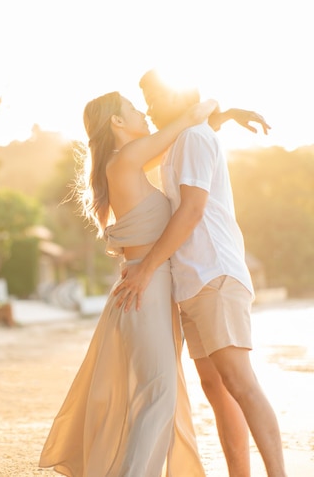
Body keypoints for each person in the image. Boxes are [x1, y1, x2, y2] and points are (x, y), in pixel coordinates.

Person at [113, 70, 287, 477]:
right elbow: (205, 117)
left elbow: (191, 211)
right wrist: (226, 114)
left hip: (215, 276)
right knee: (218, 390)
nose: (151, 108)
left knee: (240, 383)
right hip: (192, 282)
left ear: (180, 96)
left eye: (154, 98)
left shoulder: (191, 139)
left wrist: (146, 270)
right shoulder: (184, 137)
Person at [39, 91, 218, 477]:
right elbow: (189, 117)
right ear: (117, 123)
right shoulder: (124, 160)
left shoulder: (127, 163)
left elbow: (182, 139)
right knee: (159, 395)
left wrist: (221, 120)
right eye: (135, 109)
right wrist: (214, 104)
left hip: (150, 286)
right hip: (146, 289)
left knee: (158, 395)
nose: (144, 113)